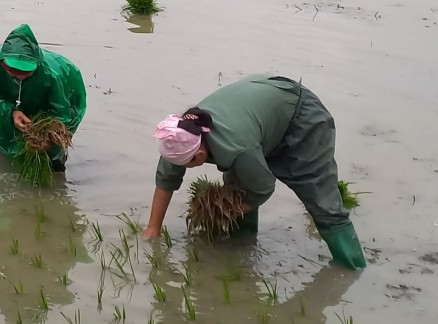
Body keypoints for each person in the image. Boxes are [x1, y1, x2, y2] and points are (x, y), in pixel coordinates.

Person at [143, 75, 366, 270]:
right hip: (261, 114)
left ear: (199, 155)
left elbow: (263, 187)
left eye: (185, 164)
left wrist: (226, 212)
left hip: (300, 115)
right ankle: (242, 249)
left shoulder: (237, 148)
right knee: (237, 188)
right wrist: (153, 229)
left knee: (322, 201)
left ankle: (353, 268)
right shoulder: (179, 135)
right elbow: (166, 178)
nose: (180, 166)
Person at [0, 24, 87, 172]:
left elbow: (62, 113)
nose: (19, 75)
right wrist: (11, 111)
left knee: (51, 160)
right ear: (3, 63)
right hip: (9, 101)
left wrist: (47, 138)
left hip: (65, 99)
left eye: (26, 72)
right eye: (13, 71)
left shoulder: (53, 74)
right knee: (7, 153)